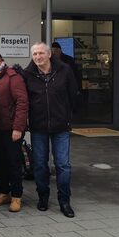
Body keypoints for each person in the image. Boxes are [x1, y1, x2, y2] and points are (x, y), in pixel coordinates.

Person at [18, 42, 79, 218]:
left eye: (41, 53)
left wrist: (69, 116)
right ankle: (43, 197)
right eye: (35, 54)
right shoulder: (27, 74)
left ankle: (64, 201)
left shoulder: (65, 70)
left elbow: (73, 94)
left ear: (49, 54)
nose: (38, 57)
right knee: (39, 165)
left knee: (63, 165)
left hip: (61, 126)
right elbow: (24, 100)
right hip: (38, 127)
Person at [0, 48, 29, 212]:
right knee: (0, 161)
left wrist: (18, 127)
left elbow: (22, 103)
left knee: (13, 162)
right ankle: (3, 192)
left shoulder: (11, 76)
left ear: (0, 59)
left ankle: (16, 196)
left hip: (11, 128)